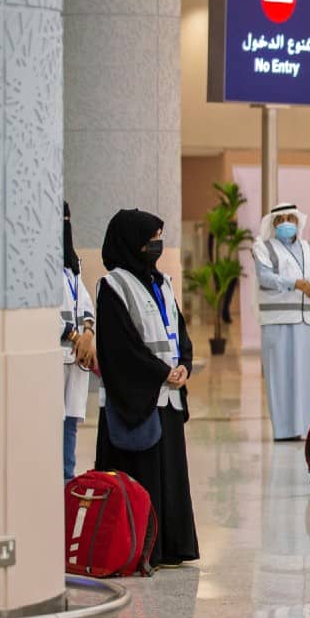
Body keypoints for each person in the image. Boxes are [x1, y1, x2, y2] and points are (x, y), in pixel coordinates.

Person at [94, 209, 199, 567]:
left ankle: (171, 546)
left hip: (167, 394)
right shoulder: (114, 286)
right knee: (143, 474)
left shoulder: (163, 281)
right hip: (138, 398)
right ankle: (141, 548)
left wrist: (184, 362)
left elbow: (179, 330)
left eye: (159, 235)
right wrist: (159, 372)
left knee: (170, 476)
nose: (156, 243)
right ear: (131, 240)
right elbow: (119, 347)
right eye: (150, 236)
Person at [253, 203, 310, 441]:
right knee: (281, 374)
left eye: (290, 218)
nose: (285, 223)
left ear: (297, 222)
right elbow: (265, 277)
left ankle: (309, 428)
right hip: (278, 320)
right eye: (280, 219)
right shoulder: (264, 247)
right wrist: (297, 284)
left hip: (309, 321)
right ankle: (284, 430)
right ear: (273, 224)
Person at [61, 203, 96, 482]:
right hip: (57, 354)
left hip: (75, 356)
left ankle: (67, 479)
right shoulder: (40, 263)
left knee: (71, 420)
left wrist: (87, 333)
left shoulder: (73, 264)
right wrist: (74, 336)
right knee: (55, 420)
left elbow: (84, 301)